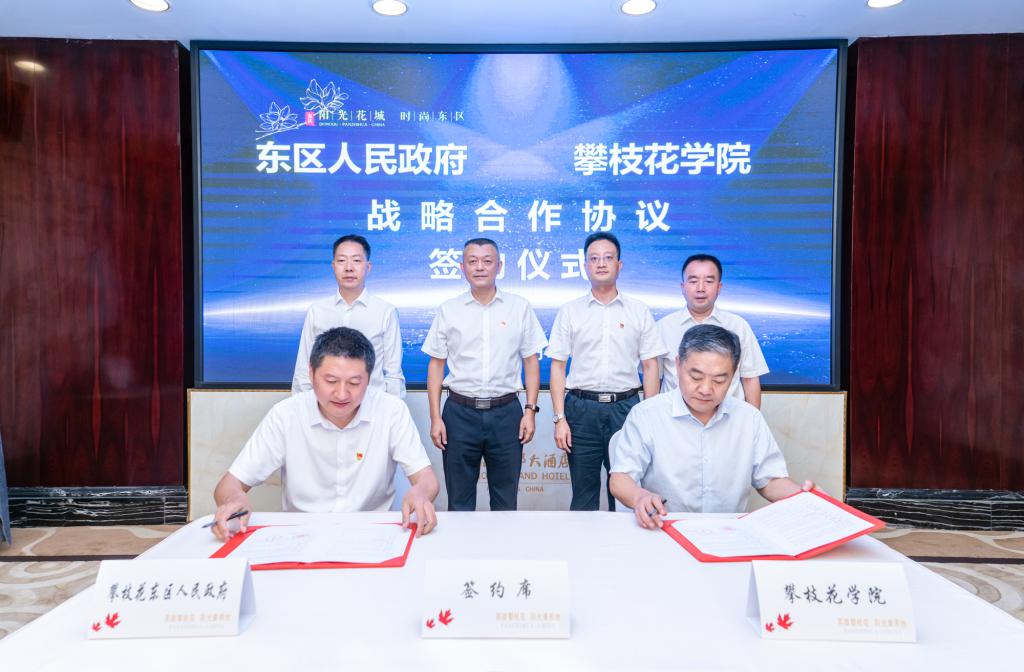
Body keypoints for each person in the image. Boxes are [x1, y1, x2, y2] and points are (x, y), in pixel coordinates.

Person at [211, 327, 438, 541]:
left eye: (354, 383)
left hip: (371, 533)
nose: (342, 394)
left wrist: (420, 492)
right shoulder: (286, 415)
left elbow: (426, 479)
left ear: (369, 379)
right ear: (311, 373)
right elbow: (229, 484)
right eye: (331, 381)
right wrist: (234, 499)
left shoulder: (391, 411)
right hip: (300, 535)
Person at [609, 324, 813, 530]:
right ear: (678, 365)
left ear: (733, 375)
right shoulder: (646, 414)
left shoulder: (749, 418)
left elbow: (770, 481)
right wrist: (640, 497)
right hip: (664, 529)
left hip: (727, 532)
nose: (706, 389)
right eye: (696, 377)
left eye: (719, 380)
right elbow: (620, 478)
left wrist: (805, 497)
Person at [422, 238, 547, 512]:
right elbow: (436, 365)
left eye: (487, 261)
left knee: (505, 501)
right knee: (459, 502)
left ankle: (504, 541)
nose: (480, 267)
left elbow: (531, 362)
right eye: (473, 261)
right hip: (459, 413)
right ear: (462, 267)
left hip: (507, 414)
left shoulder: (519, 307)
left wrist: (530, 411)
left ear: (499, 266)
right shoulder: (449, 309)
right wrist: (435, 417)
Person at [547, 232, 666, 511]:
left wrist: (649, 416)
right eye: (594, 258)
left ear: (619, 265)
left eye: (608, 258)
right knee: (583, 493)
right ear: (585, 266)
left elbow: (650, 366)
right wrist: (559, 418)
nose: (601, 263)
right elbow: (558, 366)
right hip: (581, 410)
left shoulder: (638, 311)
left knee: (626, 495)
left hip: (625, 409)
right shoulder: (570, 311)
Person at [291, 234, 405, 397]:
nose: (349, 268)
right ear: (333, 266)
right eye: (342, 260)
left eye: (356, 260)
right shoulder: (317, 310)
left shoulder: (385, 311)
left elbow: (393, 373)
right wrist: (303, 407)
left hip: (372, 405)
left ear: (368, 267)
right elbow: (303, 369)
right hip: (325, 404)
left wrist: (392, 409)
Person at [656, 253, 768, 407]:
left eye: (708, 281)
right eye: (693, 281)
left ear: (719, 287)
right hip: (674, 416)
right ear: (683, 287)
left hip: (729, 416)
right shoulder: (662, 327)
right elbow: (655, 378)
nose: (700, 288)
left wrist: (752, 419)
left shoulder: (738, 325)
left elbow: (750, 378)